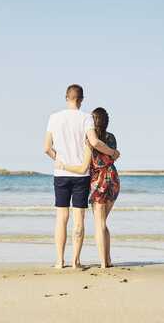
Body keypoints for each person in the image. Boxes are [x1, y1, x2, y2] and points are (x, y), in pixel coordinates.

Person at [44, 85, 120, 269]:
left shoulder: (54, 118)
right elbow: (94, 142)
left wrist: (60, 160)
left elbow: (47, 148)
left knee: (61, 218)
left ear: (66, 97)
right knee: (79, 220)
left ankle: (59, 261)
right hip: (82, 174)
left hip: (61, 174)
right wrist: (113, 152)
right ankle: (75, 261)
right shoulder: (86, 118)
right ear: (81, 99)